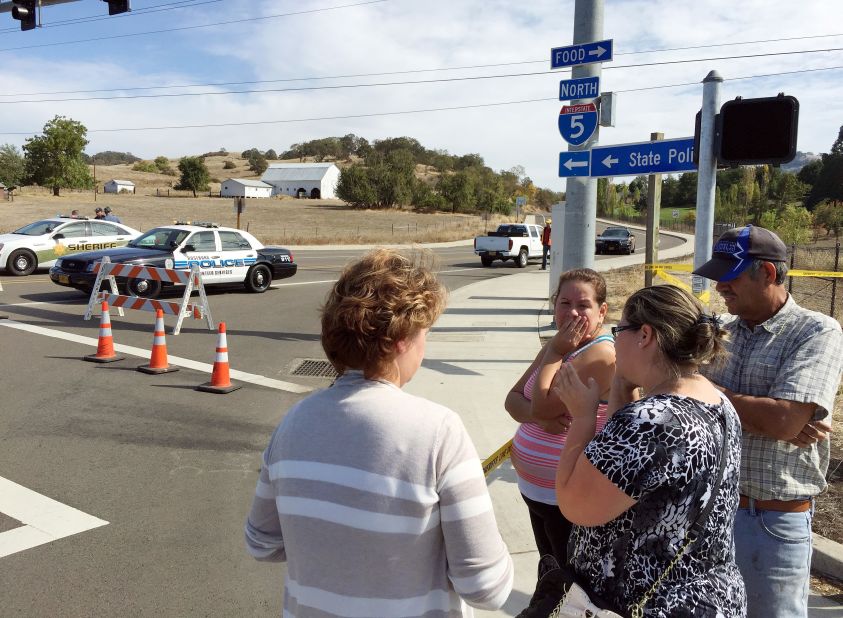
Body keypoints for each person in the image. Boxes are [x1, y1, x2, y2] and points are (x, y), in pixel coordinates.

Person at [244, 248, 513, 617]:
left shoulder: (293, 423)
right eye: (425, 333)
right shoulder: (439, 433)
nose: (424, 346)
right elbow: (488, 589)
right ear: (400, 339)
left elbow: (261, 543)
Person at [548, 284, 746, 616]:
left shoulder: (652, 420)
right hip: (706, 600)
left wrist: (583, 417)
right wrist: (623, 385)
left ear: (644, 335)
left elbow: (574, 504)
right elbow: (621, 466)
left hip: (644, 603)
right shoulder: (716, 401)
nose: (614, 341)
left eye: (618, 330)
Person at [694, 224, 843, 617]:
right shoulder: (721, 333)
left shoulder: (816, 331)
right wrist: (772, 413)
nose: (721, 286)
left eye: (732, 276)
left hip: (771, 521)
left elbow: (783, 423)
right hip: (711, 511)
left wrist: (707, 393)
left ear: (770, 273)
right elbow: (681, 400)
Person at [505, 268, 615, 571]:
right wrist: (537, 417)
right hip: (535, 491)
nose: (573, 313)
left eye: (583, 305)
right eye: (564, 304)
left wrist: (553, 352)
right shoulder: (560, 347)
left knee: (568, 590)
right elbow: (513, 400)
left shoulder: (600, 354)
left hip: (565, 498)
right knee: (550, 577)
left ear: (601, 311)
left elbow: (542, 407)